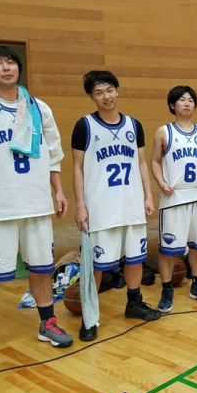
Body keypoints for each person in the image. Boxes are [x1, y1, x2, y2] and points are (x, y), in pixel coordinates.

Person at [0, 45, 73, 373]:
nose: (6, 67)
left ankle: (47, 323)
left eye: (10, 62)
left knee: (42, 270)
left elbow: (53, 153)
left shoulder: (39, 108)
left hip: (36, 205)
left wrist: (58, 191)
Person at [72, 70, 161, 342]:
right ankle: (90, 317)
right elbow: (77, 168)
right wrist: (80, 205)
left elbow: (142, 163)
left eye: (110, 90)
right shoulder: (85, 125)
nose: (106, 96)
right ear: (92, 96)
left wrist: (148, 195)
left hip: (131, 205)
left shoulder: (134, 125)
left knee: (135, 259)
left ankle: (134, 303)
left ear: (117, 91)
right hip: (101, 208)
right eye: (99, 92)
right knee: (96, 266)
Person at [151, 86, 197, 312]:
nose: (187, 103)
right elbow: (155, 161)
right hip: (174, 197)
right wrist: (161, 183)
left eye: (190, 100)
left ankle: (196, 284)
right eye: (182, 100)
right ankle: (167, 288)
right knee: (168, 249)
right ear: (172, 105)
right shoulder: (164, 131)